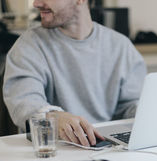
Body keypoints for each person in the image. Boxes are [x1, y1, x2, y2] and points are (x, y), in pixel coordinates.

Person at [3, 0, 146, 146]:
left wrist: (151, 114)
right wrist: (54, 118)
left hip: (106, 148)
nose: (36, 3)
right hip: (53, 150)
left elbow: (131, 105)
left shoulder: (121, 46)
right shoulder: (29, 45)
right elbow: (25, 102)